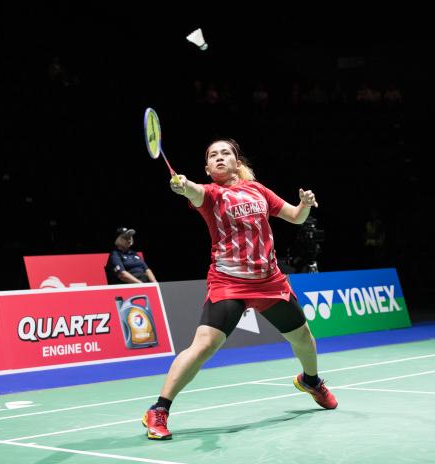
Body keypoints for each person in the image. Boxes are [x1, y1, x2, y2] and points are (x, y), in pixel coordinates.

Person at [142, 138, 337, 440]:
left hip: (269, 281)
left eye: (225, 153)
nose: (219, 158)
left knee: (303, 338)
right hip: (229, 282)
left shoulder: (259, 191)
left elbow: (295, 217)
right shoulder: (210, 195)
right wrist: (184, 185)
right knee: (204, 345)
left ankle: (311, 381)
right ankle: (159, 409)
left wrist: (305, 205)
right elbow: (193, 191)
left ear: (237, 160)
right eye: (212, 156)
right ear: (207, 168)